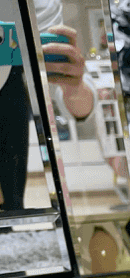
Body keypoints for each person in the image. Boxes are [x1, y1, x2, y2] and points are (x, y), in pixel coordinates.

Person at [0, 0, 93, 210]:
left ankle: (11, 206)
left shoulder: (39, 5)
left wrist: (72, 84)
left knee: (11, 202)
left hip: (11, 91)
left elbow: (78, 107)